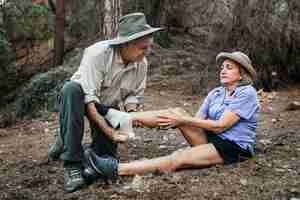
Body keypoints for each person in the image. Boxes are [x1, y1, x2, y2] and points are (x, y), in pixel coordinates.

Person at [81, 51, 260, 181]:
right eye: (222, 67)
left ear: (241, 74)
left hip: (233, 147)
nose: (223, 70)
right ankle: (121, 117)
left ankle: (114, 169)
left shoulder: (246, 93)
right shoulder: (216, 93)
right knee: (175, 112)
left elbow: (221, 125)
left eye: (229, 68)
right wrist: (178, 119)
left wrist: (182, 121)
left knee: (178, 157)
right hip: (211, 139)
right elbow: (197, 120)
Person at [48, 12, 163, 192]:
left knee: (105, 158)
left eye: (148, 47)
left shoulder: (142, 63)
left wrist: (129, 118)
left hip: (108, 106)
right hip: (83, 99)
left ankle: (67, 140)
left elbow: (133, 96)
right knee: (71, 90)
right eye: (143, 48)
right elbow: (90, 101)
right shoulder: (97, 54)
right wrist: (110, 132)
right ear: (126, 43)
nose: (146, 52)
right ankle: (72, 164)